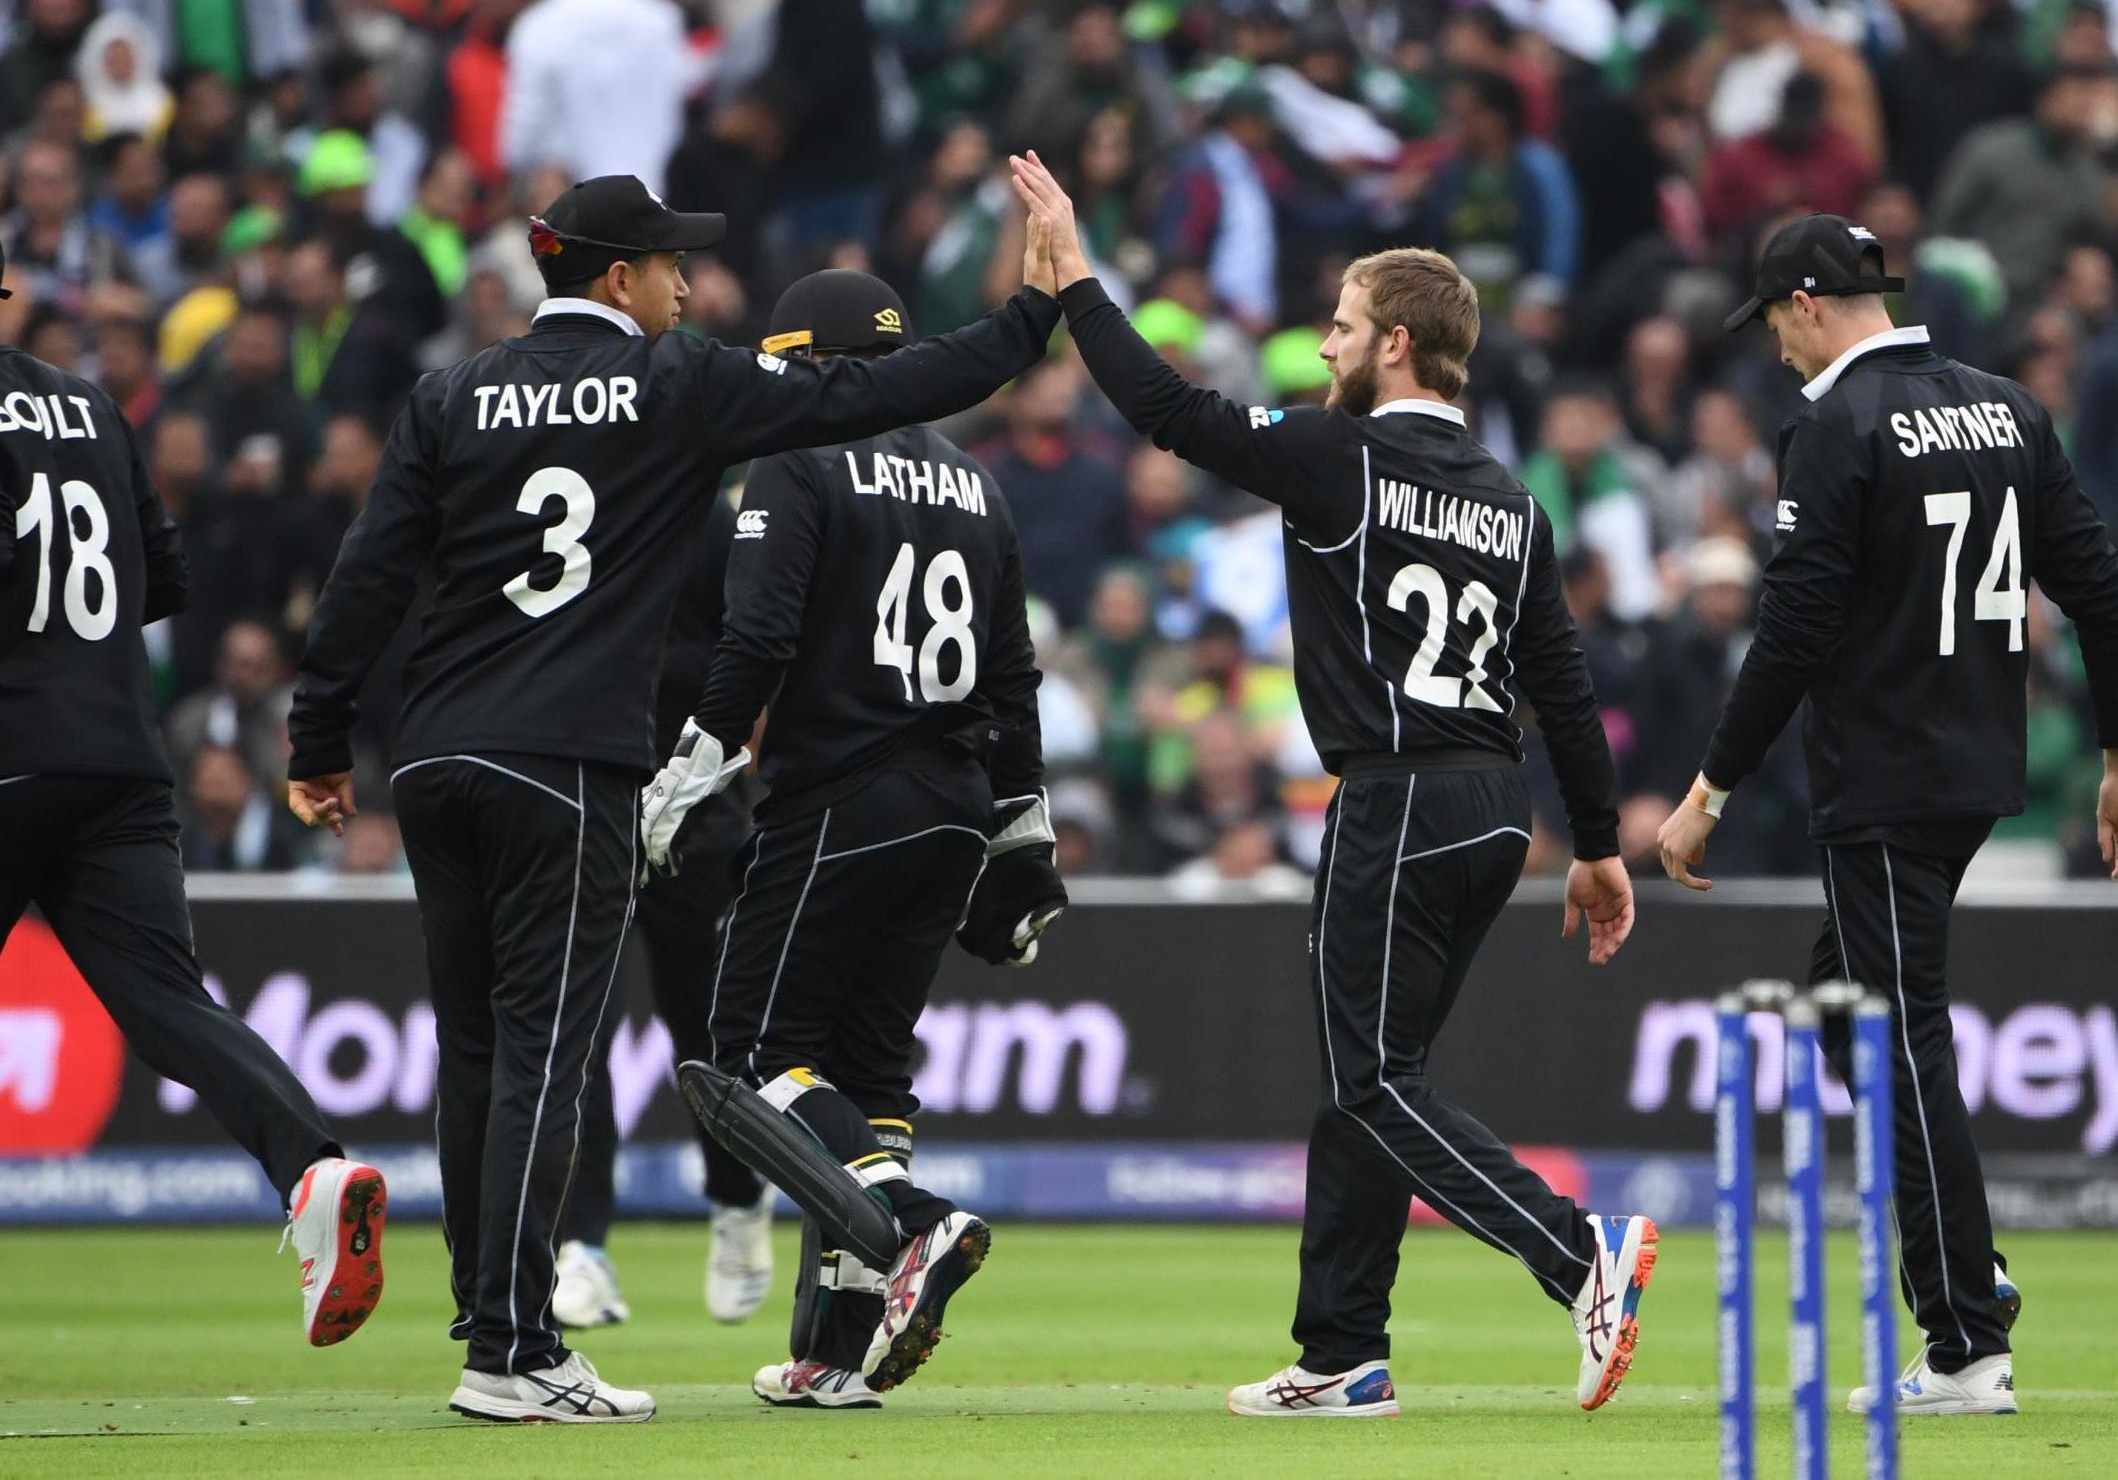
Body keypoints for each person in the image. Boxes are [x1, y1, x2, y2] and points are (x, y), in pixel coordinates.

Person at [285, 175, 1061, 1424]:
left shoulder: (449, 391)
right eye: (669, 266)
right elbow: (880, 391)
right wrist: (1034, 313)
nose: (689, 284)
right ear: (615, 279)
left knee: (474, 1051)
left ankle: (492, 1326)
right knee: (548, 1047)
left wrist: (321, 731)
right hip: (572, 762)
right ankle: (516, 1346)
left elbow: (371, 565)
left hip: (435, 754)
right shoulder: (676, 381)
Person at [1008, 152, 1648, 1419]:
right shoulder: (1512, 498)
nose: (1323, 348)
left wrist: (1078, 279)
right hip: (1495, 803)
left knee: (1369, 1078)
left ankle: (1577, 1251)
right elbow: (1562, 683)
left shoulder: (1339, 457)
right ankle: (1342, 1351)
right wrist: (1597, 842)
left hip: (1398, 793)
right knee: (1374, 1072)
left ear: (1396, 345)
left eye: (1342, 327)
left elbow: (1172, 412)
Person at [1657, 212, 2118, 1417]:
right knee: (1841, 1011)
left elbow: (1796, 627)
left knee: (1897, 1038)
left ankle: (1967, 1337)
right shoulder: (2005, 405)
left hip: (1884, 781)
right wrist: (2116, 749)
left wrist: (1710, 786)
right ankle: (1973, 1270)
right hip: (1976, 768)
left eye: (1773, 326)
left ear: (1809, 302)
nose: (1776, 352)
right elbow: (2100, 589)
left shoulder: (1835, 420)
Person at [639, 266, 1063, 1410]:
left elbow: (759, 633)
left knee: (749, 1054)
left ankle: (915, 1227)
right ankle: (834, 1350)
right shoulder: (978, 483)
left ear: (810, 361)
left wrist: (698, 757)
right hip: (957, 805)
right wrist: (1023, 830)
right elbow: (1017, 676)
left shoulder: (798, 454)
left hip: (841, 796)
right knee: (867, 1072)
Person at [0, 238, 386, 1352]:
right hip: (118, 755)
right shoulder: (88, 407)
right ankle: (312, 1166)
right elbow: (162, 578)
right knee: (171, 1000)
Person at [549, 491, 778, 1332]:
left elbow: (755, 653)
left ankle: (736, 1199)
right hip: (590, 804)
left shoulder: (711, 524)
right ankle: (583, 1248)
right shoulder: (583, 502)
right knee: (581, 1033)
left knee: (705, 1035)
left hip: (697, 812)